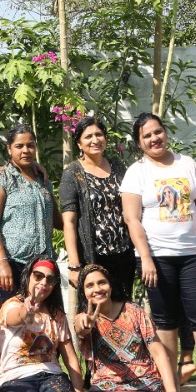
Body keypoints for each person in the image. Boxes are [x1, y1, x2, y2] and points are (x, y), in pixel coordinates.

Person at [120, 113, 196, 392]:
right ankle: (172, 384)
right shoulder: (136, 172)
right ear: (139, 143)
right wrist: (145, 258)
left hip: (194, 253)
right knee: (166, 320)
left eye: (158, 132)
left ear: (165, 132)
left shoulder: (187, 163)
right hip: (157, 257)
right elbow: (132, 219)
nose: (154, 138)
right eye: (147, 136)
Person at [72, 264, 187, 392]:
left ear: (110, 284)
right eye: (89, 285)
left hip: (145, 385)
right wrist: (85, 324)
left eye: (102, 282)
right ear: (83, 292)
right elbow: (80, 327)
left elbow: (159, 353)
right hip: (105, 386)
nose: (97, 289)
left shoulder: (134, 312)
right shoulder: (85, 318)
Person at [0, 257, 84, 392]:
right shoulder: (11, 305)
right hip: (14, 380)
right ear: (28, 277)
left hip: (51, 376)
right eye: (38, 276)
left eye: (50, 280)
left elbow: (70, 355)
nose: (43, 282)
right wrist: (28, 312)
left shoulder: (56, 315)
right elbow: (16, 317)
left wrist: (78, 391)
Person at [0, 124, 63, 300]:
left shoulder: (42, 179)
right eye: (19, 146)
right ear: (9, 149)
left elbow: (57, 220)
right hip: (13, 262)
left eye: (30, 145)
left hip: (42, 265)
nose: (26, 150)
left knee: (46, 318)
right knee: (16, 318)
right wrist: (2, 263)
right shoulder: (0, 179)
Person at [59, 116, 134, 299]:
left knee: (124, 307)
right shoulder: (73, 174)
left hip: (124, 254)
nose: (95, 140)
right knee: (98, 309)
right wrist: (75, 265)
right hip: (93, 257)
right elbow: (69, 222)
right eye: (88, 136)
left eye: (99, 134)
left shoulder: (117, 166)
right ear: (79, 143)